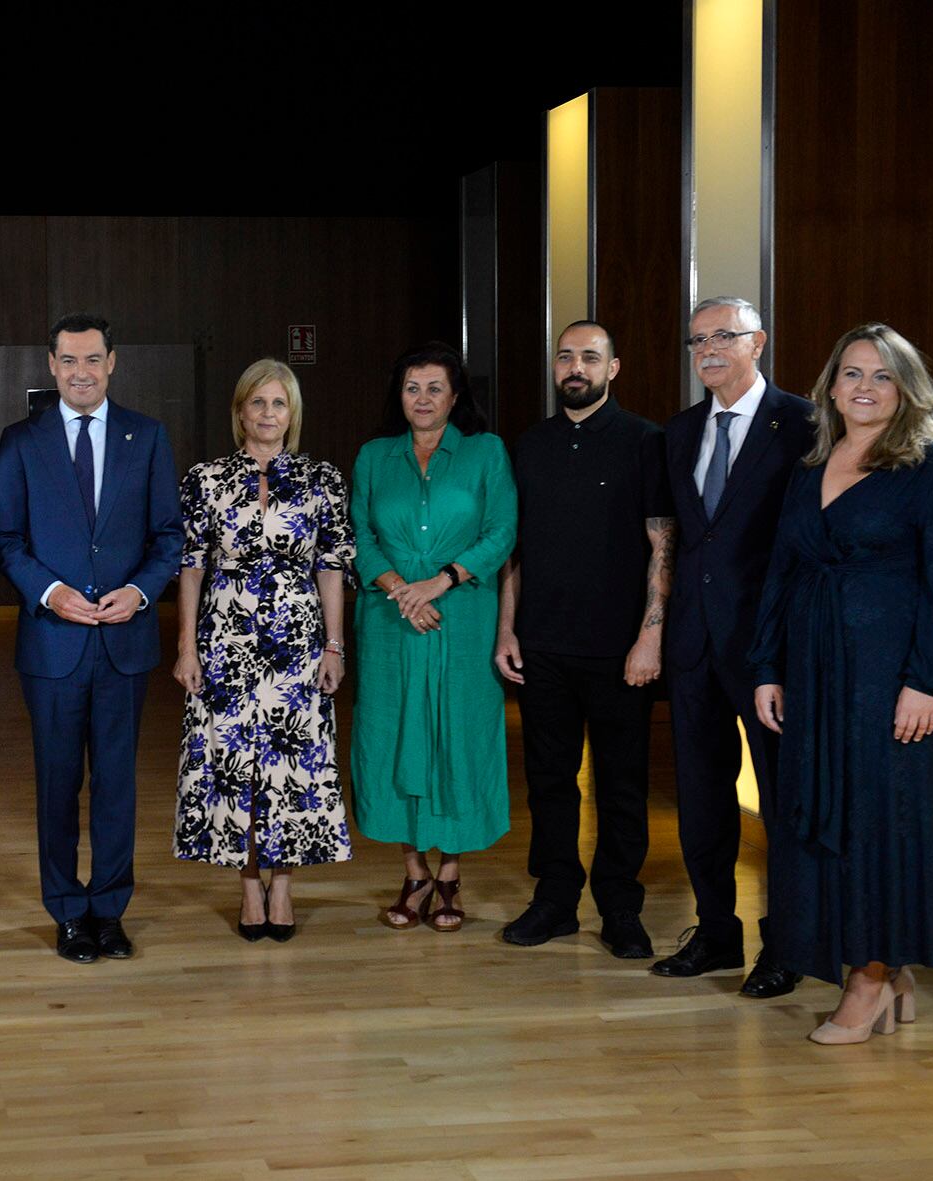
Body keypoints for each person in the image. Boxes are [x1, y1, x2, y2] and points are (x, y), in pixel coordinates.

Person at [750, 323, 933, 1044]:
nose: (865, 388)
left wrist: (929, 682)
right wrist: (768, 666)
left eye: (882, 376)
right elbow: (782, 575)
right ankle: (887, 971)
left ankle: (871, 979)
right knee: (830, 820)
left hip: (890, 680)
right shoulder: (812, 462)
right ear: (831, 386)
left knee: (884, 825)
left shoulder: (932, 467)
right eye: (851, 374)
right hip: (816, 677)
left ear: (906, 388)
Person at [0, 312, 182, 963]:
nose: (81, 372)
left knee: (117, 786)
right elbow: (3, 539)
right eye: (68, 361)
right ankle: (68, 911)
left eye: (92, 359)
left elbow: (169, 538)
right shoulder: (20, 441)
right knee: (58, 783)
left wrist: (143, 590)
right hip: (52, 644)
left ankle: (109, 908)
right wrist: (49, 591)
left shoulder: (146, 437)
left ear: (112, 361)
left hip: (124, 643)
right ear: (51, 365)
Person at [496, 321, 673, 959]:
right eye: (566, 357)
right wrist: (507, 628)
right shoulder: (530, 445)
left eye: (589, 358)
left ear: (613, 368)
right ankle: (556, 901)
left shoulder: (645, 442)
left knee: (623, 784)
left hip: (621, 650)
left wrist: (650, 638)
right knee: (549, 780)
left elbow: (663, 544)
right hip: (541, 644)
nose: (576, 367)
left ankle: (621, 908)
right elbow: (512, 550)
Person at [652, 297, 812, 998]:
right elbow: (683, 541)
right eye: (697, 340)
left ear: (759, 342)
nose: (708, 349)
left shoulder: (804, 424)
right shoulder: (681, 429)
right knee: (703, 796)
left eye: (723, 336)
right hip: (693, 643)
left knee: (782, 804)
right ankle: (717, 932)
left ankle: (789, 943)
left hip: (769, 647)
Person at [172, 358, 353, 942]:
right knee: (233, 767)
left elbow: (331, 567)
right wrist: (185, 647)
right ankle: (250, 884)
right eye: (259, 403)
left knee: (291, 766)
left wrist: (335, 646)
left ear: (292, 413)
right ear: (240, 411)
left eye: (280, 404)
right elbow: (191, 567)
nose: (269, 414)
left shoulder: (322, 479)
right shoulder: (205, 478)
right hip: (225, 637)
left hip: (297, 640)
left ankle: (284, 884)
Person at [350, 344, 517, 932]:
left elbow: (502, 532)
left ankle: (450, 871)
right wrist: (402, 590)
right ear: (399, 396)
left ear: (455, 396)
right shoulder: (374, 456)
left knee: (458, 738)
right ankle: (414, 870)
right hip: (392, 624)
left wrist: (438, 582)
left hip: (461, 618)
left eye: (434, 388)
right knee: (394, 736)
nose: (422, 399)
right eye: (412, 388)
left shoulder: (486, 452)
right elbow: (360, 536)